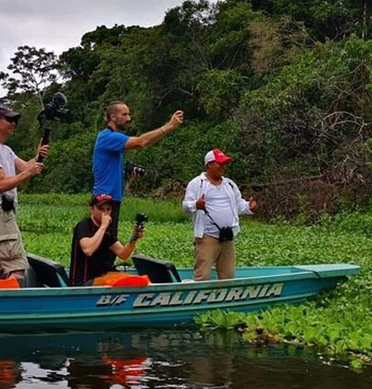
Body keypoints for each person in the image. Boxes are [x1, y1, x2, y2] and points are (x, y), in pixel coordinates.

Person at [0, 106, 48, 285]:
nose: (13, 123)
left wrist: (38, 155)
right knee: (17, 268)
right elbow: (1, 184)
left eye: (14, 120)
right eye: (9, 120)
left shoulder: (5, 149)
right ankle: (12, 307)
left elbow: (25, 166)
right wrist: (28, 173)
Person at [92, 102, 184, 239]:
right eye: (124, 114)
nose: (128, 119)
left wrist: (125, 174)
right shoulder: (107, 137)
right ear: (112, 117)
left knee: (109, 243)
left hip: (111, 198)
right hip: (104, 200)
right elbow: (141, 142)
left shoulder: (113, 141)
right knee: (103, 244)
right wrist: (169, 126)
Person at [182, 149, 258, 281]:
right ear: (209, 164)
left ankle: (223, 300)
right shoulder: (197, 183)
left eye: (224, 164)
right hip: (207, 237)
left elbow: (238, 204)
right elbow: (186, 205)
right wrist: (196, 204)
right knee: (202, 275)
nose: (223, 167)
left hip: (228, 236)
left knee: (227, 275)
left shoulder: (229, 184)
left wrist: (249, 207)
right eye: (220, 163)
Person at [69, 194, 145, 287]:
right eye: (101, 209)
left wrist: (135, 238)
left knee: (135, 281)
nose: (105, 213)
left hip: (103, 275)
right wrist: (103, 227)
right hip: (84, 281)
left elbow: (123, 254)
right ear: (91, 209)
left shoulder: (107, 232)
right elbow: (88, 250)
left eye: (108, 209)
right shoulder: (84, 226)